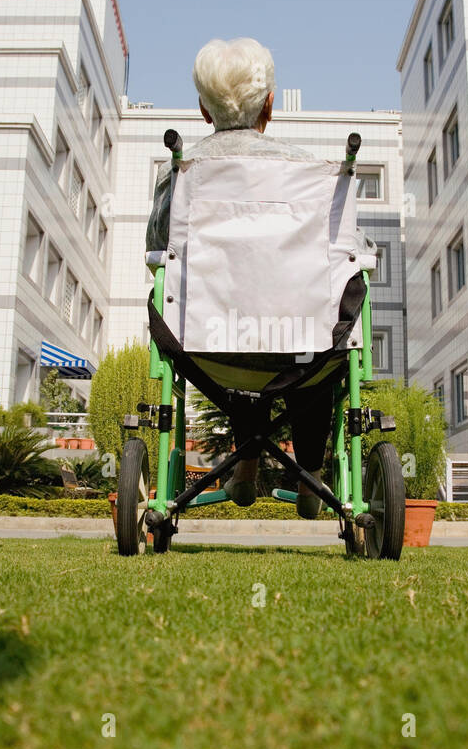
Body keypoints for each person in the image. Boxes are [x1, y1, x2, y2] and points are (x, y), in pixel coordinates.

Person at [144, 37, 375, 518]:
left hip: (208, 344)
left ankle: (246, 463)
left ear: (203, 110)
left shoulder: (181, 172)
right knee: (308, 332)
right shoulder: (314, 173)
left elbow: (156, 253)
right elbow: (352, 254)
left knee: (234, 320)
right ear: (270, 104)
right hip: (302, 345)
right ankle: (311, 479)